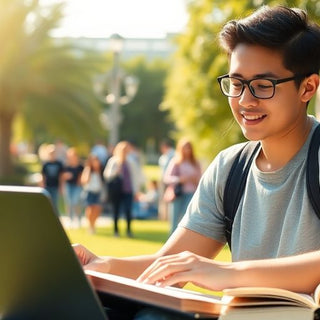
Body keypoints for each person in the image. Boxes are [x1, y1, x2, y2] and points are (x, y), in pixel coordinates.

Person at [74, 5, 320, 319]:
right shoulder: (230, 168)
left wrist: (227, 273)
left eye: (262, 85)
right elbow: (171, 262)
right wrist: (103, 265)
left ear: (308, 87)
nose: (245, 100)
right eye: (236, 83)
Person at [104, 141, 143, 237]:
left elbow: (135, 177)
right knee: (116, 211)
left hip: (128, 190)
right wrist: (116, 172)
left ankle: (129, 231)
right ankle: (116, 231)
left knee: (128, 211)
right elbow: (106, 175)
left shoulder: (131, 161)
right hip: (117, 190)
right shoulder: (113, 161)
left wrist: (137, 191)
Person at [163, 138, 202, 234]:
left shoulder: (195, 163)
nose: (187, 150)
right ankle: (171, 242)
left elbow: (201, 179)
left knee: (188, 218)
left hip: (191, 193)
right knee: (174, 219)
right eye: (185, 148)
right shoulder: (176, 162)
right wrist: (180, 179)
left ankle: (184, 241)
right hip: (178, 193)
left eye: (189, 148)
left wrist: (195, 180)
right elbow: (167, 178)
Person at [80, 154, 105, 234]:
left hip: (98, 192)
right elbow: (84, 181)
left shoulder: (100, 171)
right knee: (90, 208)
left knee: (97, 209)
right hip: (90, 192)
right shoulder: (88, 170)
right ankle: (90, 225)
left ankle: (93, 224)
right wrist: (88, 170)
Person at [62, 147, 84, 227]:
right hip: (69, 185)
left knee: (75, 202)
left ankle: (78, 219)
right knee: (69, 202)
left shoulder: (80, 166)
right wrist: (66, 176)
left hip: (77, 186)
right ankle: (70, 219)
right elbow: (63, 176)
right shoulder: (67, 166)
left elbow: (82, 176)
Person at [40, 144, 64, 214]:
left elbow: (61, 176)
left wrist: (61, 186)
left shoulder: (59, 164)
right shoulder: (45, 164)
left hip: (55, 186)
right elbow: (43, 175)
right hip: (47, 186)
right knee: (47, 202)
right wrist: (42, 185)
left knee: (55, 202)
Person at [158, 139, 175, 221]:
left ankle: (166, 216)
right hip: (166, 180)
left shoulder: (172, 155)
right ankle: (165, 216)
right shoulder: (164, 157)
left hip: (170, 180)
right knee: (164, 199)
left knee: (168, 199)